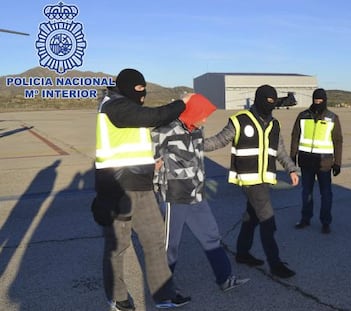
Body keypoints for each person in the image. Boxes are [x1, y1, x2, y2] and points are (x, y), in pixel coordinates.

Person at [92, 68, 192, 310]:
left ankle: (164, 295)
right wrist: (182, 104)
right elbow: (153, 117)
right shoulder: (113, 106)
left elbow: (131, 141)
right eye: (139, 90)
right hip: (117, 189)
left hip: (142, 186)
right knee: (117, 246)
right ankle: (117, 297)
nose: (143, 94)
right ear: (127, 87)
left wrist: (150, 163)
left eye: (144, 90)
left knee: (156, 241)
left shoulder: (127, 106)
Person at [151, 94, 250, 292]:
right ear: (192, 112)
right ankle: (164, 290)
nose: (204, 120)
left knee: (211, 235)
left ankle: (225, 278)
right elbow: (150, 161)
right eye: (202, 115)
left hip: (196, 193)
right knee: (170, 245)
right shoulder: (163, 131)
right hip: (174, 195)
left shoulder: (196, 129)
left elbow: (199, 154)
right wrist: (156, 178)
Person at [204, 85, 299, 279]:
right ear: (258, 99)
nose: (270, 105)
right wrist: (193, 144)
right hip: (249, 180)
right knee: (267, 221)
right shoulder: (240, 121)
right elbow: (218, 141)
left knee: (251, 217)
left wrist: (291, 168)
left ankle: (242, 253)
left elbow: (279, 150)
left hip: (264, 179)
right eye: (267, 101)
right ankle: (275, 264)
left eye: (273, 101)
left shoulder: (274, 124)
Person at [290, 88, 343, 234]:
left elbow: (338, 141)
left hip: (324, 163)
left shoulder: (332, 117)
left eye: (320, 100)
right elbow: (295, 136)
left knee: (326, 194)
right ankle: (305, 219)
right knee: (306, 192)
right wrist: (292, 156)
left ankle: (325, 222)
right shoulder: (303, 116)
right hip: (306, 162)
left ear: (325, 101)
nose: (318, 103)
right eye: (316, 100)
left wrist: (337, 162)